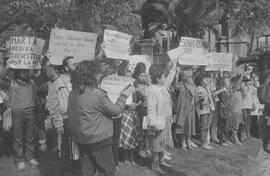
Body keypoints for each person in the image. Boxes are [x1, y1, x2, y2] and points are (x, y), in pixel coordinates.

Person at [68, 60, 134, 176]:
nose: (99, 76)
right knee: (106, 171)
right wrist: (124, 95)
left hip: (82, 140)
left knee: (87, 171)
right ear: (90, 75)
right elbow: (115, 110)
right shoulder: (97, 94)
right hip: (100, 141)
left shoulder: (73, 93)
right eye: (97, 73)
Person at [147, 60, 177, 174]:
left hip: (165, 120)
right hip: (157, 122)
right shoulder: (153, 90)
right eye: (164, 77)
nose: (165, 79)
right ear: (158, 79)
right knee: (156, 144)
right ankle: (154, 165)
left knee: (162, 143)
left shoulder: (162, 87)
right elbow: (151, 108)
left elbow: (169, 79)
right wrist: (153, 123)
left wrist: (174, 67)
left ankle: (161, 160)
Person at [10, 69, 39, 169]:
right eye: (23, 71)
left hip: (31, 111)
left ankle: (30, 156)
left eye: (27, 71)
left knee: (30, 136)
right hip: (17, 112)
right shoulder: (13, 83)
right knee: (18, 137)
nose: (26, 73)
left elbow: (37, 73)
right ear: (18, 73)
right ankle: (19, 159)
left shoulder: (32, 82)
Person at [174, 67, 197, 150]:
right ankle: (182, 143)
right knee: (183, 127)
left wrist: (191, 88)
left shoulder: (192, 86)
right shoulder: (181, 85)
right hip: (183, 110)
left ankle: (188, 142)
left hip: (191, 109)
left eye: (190, 79)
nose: (189, 79)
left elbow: (195, 97)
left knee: (190, 127)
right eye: (185, 75)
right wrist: (177, 76)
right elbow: (177, 89)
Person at [194, 75, 214, 150]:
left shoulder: (205, 88)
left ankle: (205, 142)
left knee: (206, 127)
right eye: (205, 79)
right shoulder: (198, 89)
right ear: (201, 81)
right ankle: (203, 143)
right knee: (203, 127)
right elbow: (200, 101)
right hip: (203, 111)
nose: (206, 81)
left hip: (208, 109)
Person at [217, 77, 233, 146]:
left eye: (228, 81)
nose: (228, 82)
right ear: (223, 82)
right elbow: (217, 95)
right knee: (223, 125)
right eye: (227, 81)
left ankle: (226, 139)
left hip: (228, 109)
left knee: (227, 125)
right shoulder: (221, 89)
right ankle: (222, 141)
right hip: (222, 109)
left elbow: (230, 97)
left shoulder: (229, 89)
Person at [230, 74, 244, 146]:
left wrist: (241, 84)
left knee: (237, 126)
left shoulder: (239, 92)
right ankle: (235, 139)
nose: (239, 85)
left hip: (239, 111)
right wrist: (238, 79)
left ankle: (233, 138)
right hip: (234, 111)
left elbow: (245, 93)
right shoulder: (233, 91)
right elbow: (235, 86)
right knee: (234, 126)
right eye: (238, 83)